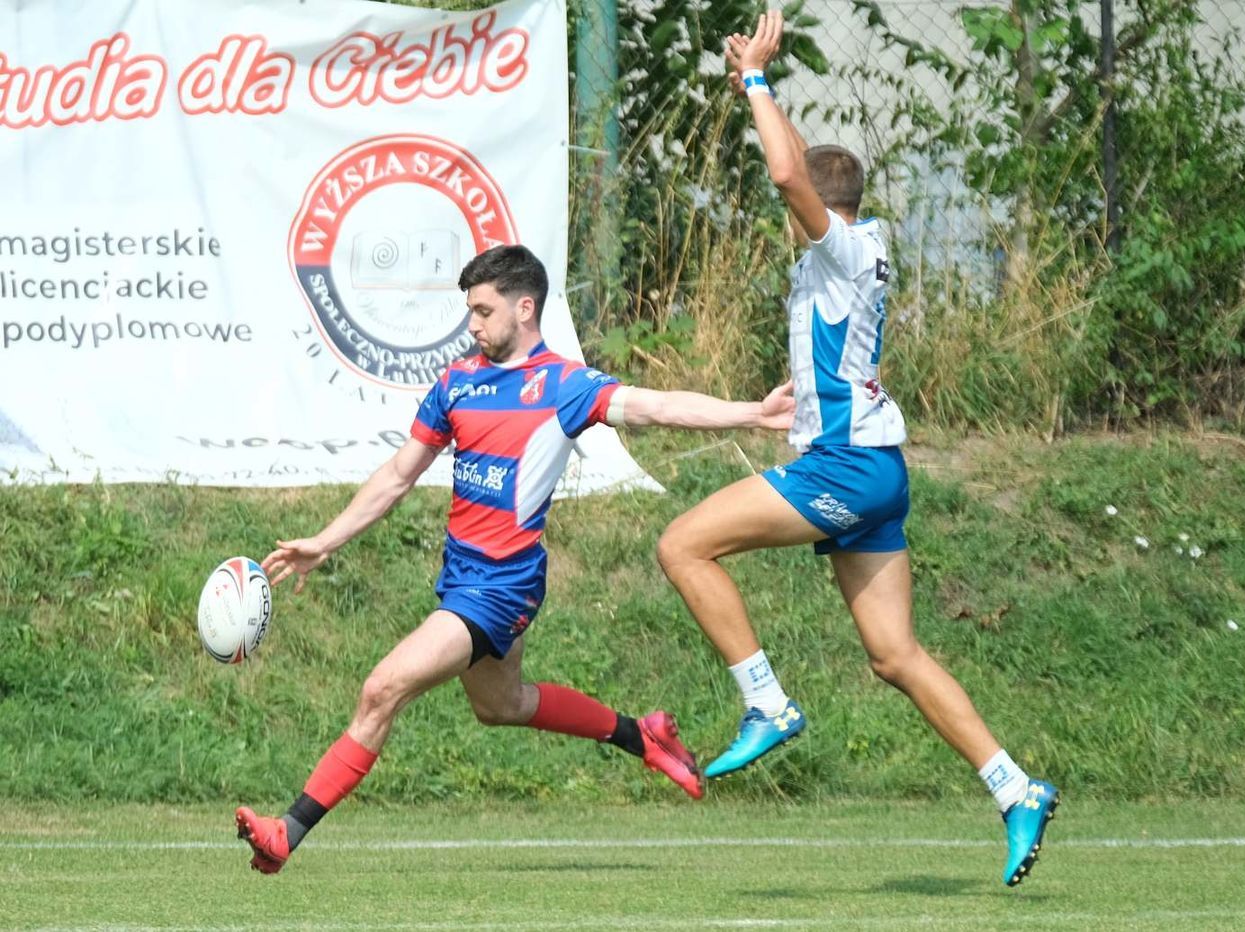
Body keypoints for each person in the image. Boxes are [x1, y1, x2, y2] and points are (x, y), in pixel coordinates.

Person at [653, 12, 1059, 887]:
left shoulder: (836, 251)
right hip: (878, 469)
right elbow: (800, 162)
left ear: (820, 207)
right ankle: (1014, 785)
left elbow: (785, 169)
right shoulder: (856, 244)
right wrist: (757, 90)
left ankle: (766, 701)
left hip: (844, 469)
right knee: (894, 655)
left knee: (683, 544)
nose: (786, 200)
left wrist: (759, 84)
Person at [235, 244, 796, 874]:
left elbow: (656, 405)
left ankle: (288, 831)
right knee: (501, 705)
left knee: (381, 689)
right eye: (469, 311)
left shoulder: (564, 385)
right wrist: (325, 541)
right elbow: (397, 475)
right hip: (462, 578)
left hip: (503, 586)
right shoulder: (457, 383)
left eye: (482, 310)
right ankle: (644, 735)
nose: (472, 325)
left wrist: (753, 413)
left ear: (524, 308)